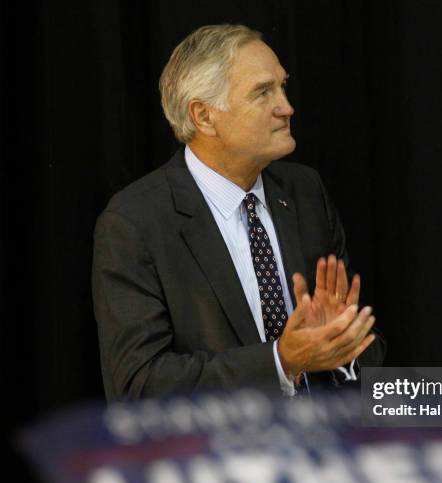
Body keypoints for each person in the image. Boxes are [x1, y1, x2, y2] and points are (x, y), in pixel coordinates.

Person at [92, 24, 385, 400]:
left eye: (282, 86)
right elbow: (138, 385)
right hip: (219, 453)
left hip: (328, 443)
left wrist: (341, 345)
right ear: (204, 116)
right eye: (263, 92)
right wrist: (280, 361)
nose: (287, 107)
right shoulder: (136, 221)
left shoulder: (304, 191)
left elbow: (370, 351)